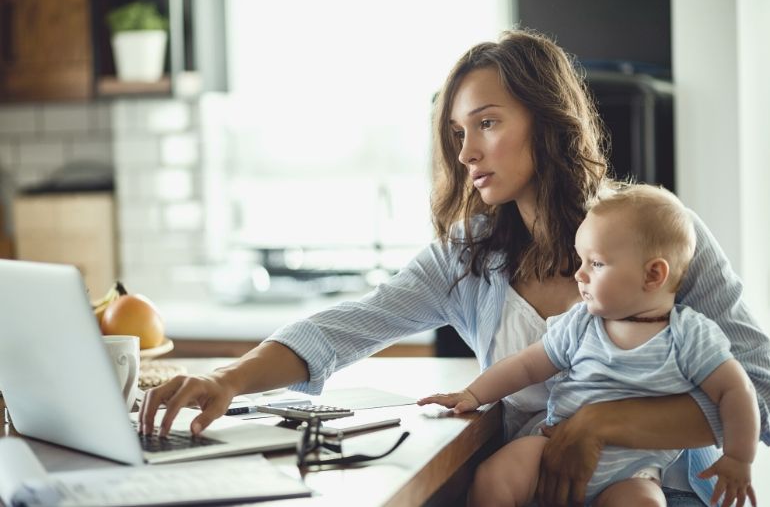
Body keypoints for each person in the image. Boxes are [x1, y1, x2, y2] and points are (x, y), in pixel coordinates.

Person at [139, 29, 770, 507]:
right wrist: (229, 378)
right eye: (457, 132)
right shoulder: (469, 256)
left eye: (487, 123)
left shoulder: (663, 237)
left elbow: (760, 390)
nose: (466, 152)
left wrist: (603, 422)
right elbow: (346, 327)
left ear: (547, 121)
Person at [418, 184, 759, 507]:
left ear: (653, 275)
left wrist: (738, 458)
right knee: (494, 476)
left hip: (633, 473)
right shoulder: (581, 323)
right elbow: (525, 366)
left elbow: (738, 391)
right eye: (581, 261)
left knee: (646, 502)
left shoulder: (690, 336)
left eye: (595, 263)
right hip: (552, 447)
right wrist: (473, 395)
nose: (579, 275)